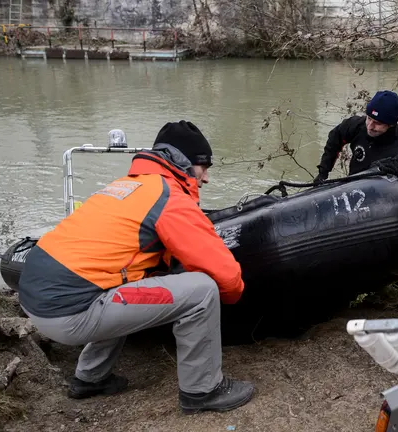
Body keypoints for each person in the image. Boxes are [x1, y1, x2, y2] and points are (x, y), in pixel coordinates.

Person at [16, 120, 255, 413]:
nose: (206, 178)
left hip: (35, 298)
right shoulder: (170, 198)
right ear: (184, 163)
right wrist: (234, 298)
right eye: (203, 167)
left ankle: (90, 378)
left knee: (121, 283)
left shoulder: (128, 185)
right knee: (203, 291)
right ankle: (203, 391)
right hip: (68, 312)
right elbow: (227, 277)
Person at [314, 90, 398, 182]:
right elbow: (335, 137)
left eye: (377, 123)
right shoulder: (358, 126)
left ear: (391, 124)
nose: (370, 126)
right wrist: (323, 172)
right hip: (351, 186)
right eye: (369, 118)